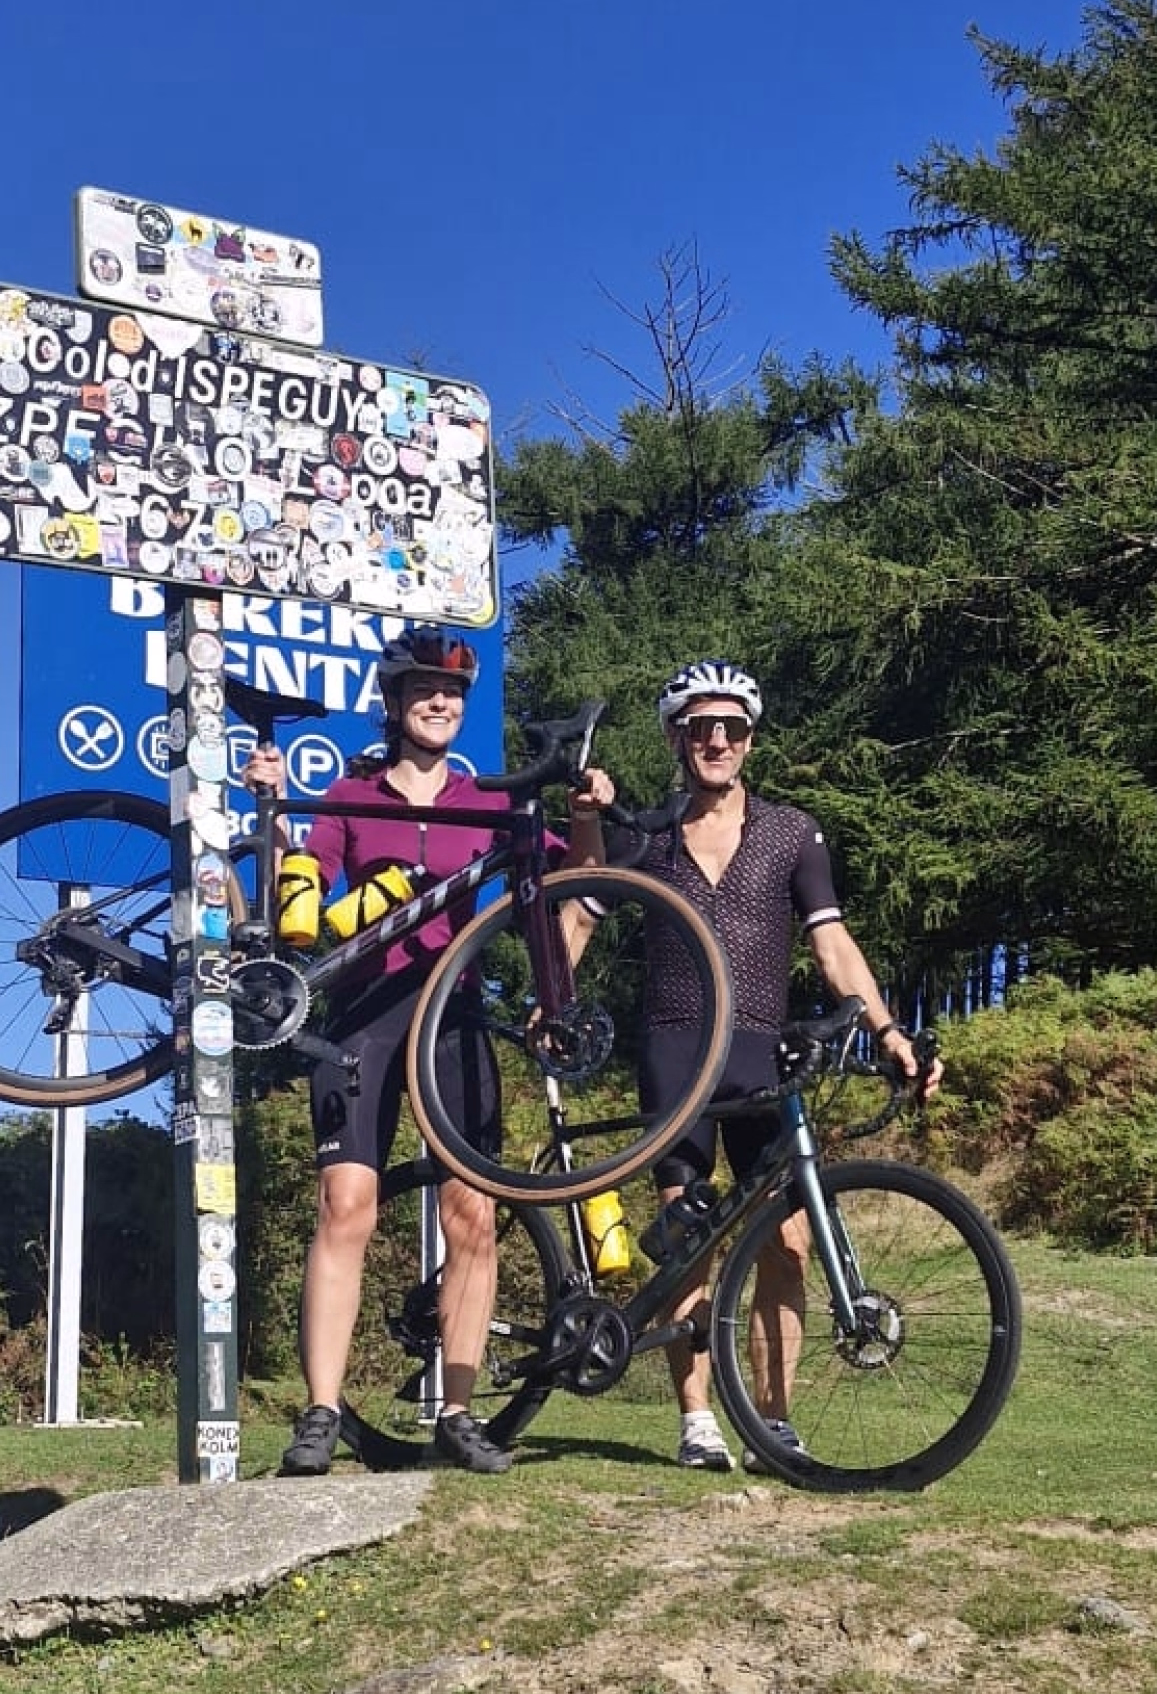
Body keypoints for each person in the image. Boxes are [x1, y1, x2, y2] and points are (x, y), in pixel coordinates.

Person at [244, 629, 602, 1477]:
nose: (440, 704)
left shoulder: (486, 804)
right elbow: (290, 892)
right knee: (347, 1207)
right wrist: (268, 810)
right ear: (395, 704)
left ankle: (459, 1411)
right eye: (422, 691)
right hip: (361, 1009)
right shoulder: (348, 793)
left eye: (452, 693)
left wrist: (586, 813)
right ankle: (322, 1412)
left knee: (473, 1213)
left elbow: (577, 886)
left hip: (458, 1013)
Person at [619, 659, 933, 1470]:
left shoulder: (791, 833)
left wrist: (889, 1032)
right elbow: (579, 912)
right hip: (673, 1046)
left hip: (761, 1047)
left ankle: (773, 1420)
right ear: (675, 738)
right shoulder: (648, 833)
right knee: (686, 1240)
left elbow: (832, 945)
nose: (716, 741)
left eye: (732, 729)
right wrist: (554, 1007)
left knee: (788, 1241)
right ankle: (696, 1423)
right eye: (699, 728)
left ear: (751, 741)